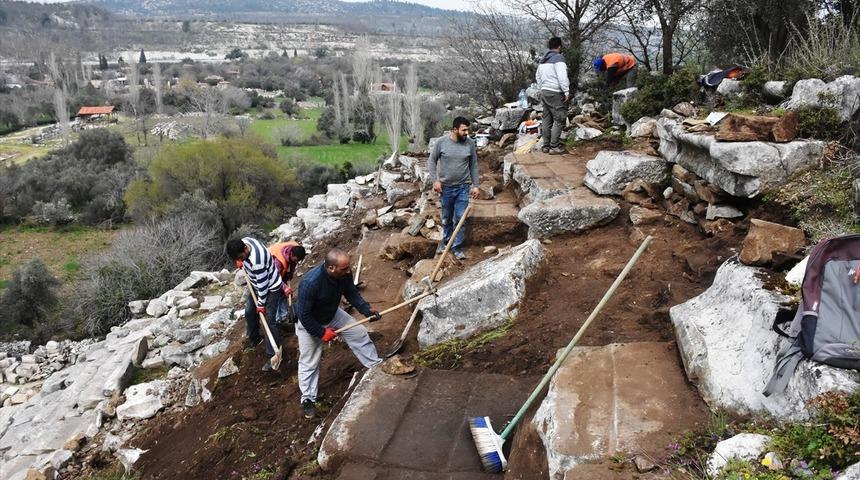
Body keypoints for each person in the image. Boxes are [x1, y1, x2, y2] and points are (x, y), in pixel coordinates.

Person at [295, 249, 383, 419]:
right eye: (344, 269)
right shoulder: (310, 283)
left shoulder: (344, 274)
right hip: (310, 321)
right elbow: (303, 314)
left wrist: (366, 310)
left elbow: (351, 293)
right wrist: (321, 332)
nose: (349, 271)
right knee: (309, 360)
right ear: (331, 268)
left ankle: (375, 366)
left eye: (348, 267)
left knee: (359, 333)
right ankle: (308, 399)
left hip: (332, 314)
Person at [225, 237, 286, 371]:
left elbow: (263, 286)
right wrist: (241, 261)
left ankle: (273, 355)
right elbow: (257, 283)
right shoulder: (245, 241)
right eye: (238, 258)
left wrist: (261, 305)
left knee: (269, 322)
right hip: (256, 285)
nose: (241, 259)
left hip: (270, 288)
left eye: (242, 257)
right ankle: (254, 338)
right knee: (249, 312)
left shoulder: (257, 261)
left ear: (245, 249)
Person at [427, 116, 480, 260]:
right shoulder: (441, 143)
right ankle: (446, 243)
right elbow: (431, 160)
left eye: (467, 130)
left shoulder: (469, 144)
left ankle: (456, 247)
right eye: (464, 130)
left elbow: (473, 165)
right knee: (446, 218)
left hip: (463, 188)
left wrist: (476, 185)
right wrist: (435, 181)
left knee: (460, 219)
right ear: (454, 130)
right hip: (446, 189)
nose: (466, 133)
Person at [536, 36, 570, 155]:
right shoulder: (558, 58)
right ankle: (554, 146)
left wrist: (542, 88)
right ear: (559, 47)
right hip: (555, 92)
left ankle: (546, 146)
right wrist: (566, 91)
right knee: (559, 119)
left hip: (544, 91)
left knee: (546, 118)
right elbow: (562, 76)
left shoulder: (543, 60)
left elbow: (538, 77)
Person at [267, 241, 306, 324]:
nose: (296, 262)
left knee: (283, 294)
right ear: (291, 254)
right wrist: (285, 288)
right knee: (276, 294)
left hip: (278, 272)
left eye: (298, 260)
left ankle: (284, 316)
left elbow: (293, 263)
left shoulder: (296, 250)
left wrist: (290, 273)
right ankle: (277, 319)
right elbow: (274, 278)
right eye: (295, 260)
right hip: (268, 275)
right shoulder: (278, 262)